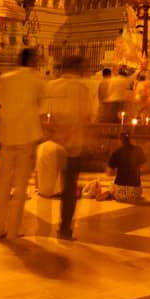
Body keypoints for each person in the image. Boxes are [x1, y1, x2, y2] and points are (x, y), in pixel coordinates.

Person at [0, 48, 47, 241]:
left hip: (7, 134)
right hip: (26, 136)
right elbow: (41, 105)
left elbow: (3, 104)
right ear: (32, 61)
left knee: (4, 184)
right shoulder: (37, 79)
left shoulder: (6, 78)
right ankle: (14, 230)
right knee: (21, 186)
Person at [44, 55, 94, 239]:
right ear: (78, 69)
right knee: (69, 188)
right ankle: (64, 228)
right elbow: (89, 116)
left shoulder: (51, 86)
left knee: (45, 182)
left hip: (50, 144)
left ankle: (41, 226)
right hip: (73, 145)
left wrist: (53, 132)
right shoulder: (82, 89)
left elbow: (43, 116)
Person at [107, 131, 146, 203]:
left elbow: (109, 173)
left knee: (110, 185)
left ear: (120, 140)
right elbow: (144, 168)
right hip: (135, 193)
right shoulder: (138, 150)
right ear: (130, 139)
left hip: (120, 193)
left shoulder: (116, 152)